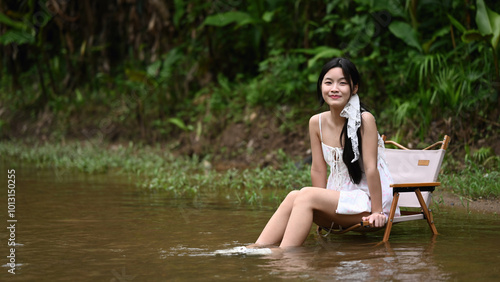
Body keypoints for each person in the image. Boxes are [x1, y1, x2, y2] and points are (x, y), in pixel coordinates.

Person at [250, 57, 399, 250]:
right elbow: (318, 169)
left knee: (305, 195)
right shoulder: (316, 123)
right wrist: (319, 201)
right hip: (338, 197)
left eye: (342, 83)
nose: (334, 88)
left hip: (367, 200)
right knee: (295, 195)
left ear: (354, 89)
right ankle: (255, 248)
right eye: (328, 82)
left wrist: (378, 212)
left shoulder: (365, 119)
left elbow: (371, 168)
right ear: (321, 86)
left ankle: (283, 256)